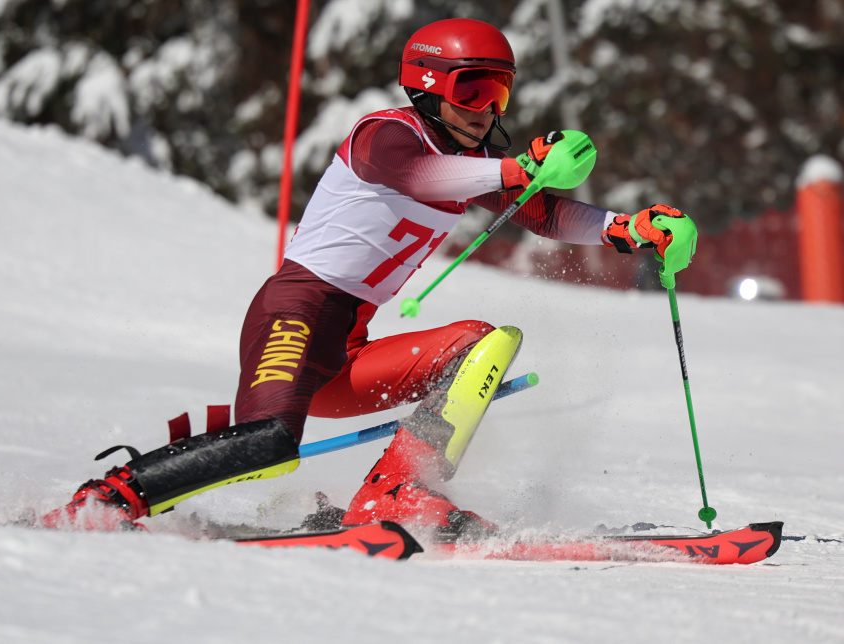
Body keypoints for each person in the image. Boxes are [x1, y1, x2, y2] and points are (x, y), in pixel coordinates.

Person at [41, 18, 696, 535]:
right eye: (471, 88)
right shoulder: (387, 134)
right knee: (269, 445)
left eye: (498, 92)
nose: (485, 108)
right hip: (294, 314)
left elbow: (547, 215)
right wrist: (515, 169)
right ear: (429, 84)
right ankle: (111, 496)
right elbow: (419, 177)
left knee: (479, 342)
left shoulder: (479, 159)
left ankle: (400, 490)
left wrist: (626, 227)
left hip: (349, 350)